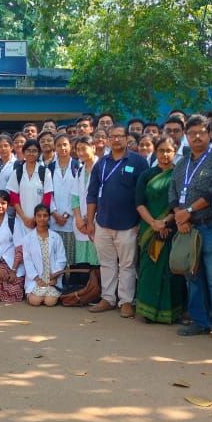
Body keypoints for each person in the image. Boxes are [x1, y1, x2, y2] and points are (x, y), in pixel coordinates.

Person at [170, 116, 212, 342]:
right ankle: (200, 321)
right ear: (186, 136)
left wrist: (189, 210)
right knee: (192, 277)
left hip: (211, 225)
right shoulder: (181, 163)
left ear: (209, 134)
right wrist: (180, 216)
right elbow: (173, 192)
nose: (197, 136)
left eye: (201, 132)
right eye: (192, 133)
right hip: (187, 229)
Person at [86, 125, 150, 317]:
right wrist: (90, 222)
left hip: (129, 223)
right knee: (106, 263)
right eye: (112, 136)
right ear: (107, 140)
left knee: (127, 265)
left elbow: (145, 194)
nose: (116, 140)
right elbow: (92, 194)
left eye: (120, 136)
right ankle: (108, 298)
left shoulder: (138, 161)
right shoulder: (101, 163)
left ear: (126, 138)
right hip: (103, 222)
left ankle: (126, 301)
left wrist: (141, 222)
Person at [134, 137, 185, 324]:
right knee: (149, 269)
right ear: (155, 152)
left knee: (171, 270)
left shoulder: (179, 174)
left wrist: (165, 222)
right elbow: (139, 203)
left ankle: (171, 312)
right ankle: (147, 311)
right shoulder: (146, 175)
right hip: (149, 228)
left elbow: (181, 202)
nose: (165, 154)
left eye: (168, 151)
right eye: (161, 150)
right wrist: (154, 223)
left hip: (173, 228)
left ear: (175, 152)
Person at [22, 204, 67, 306]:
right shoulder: (28, 239)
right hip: (36, 280)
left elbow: (61, 259)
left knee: (50, 302)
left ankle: (50, 293)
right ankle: (34, 293)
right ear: (35, 217)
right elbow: (28, 261)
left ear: (49, 218)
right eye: (39, 215)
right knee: (35, 301)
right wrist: (37, 279)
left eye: (45, 215)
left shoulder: (56, 237)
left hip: (52, 279)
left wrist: (55, 277)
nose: (42, 218)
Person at [9, 139, 53, 230]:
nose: (31, 153)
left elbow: (47, 197)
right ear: (23, 152)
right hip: (21, 221)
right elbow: (13, 197)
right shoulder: (17, 172)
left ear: (39, 153)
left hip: (40, 221)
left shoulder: (45, 172)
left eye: (34, 151)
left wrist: (35, 218)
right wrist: (23, 218)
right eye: (28, 150)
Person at [71, 136, 100, 265]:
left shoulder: (101, 168)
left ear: (93, 147)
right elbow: (74, 197)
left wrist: (89, 220)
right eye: (78, 149)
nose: (80, 152)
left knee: (96, 261)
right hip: (81, 225)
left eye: (84, 148)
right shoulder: (80, 170)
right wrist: (79, 220)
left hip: (97, 221)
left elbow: (102, 196)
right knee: (82, 262)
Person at [49, 133, 78, 261]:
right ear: (55, 147)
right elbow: (48, 193)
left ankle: (69, 275)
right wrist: (55, 214)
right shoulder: (50, 167)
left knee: (70, 255)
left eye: (65, 144)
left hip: (71, 218)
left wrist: (66, 215)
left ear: (70, 146)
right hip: (54, 218)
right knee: (55, 255)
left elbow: (77, 193)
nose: (62, 148)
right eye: (59, 145)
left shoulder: (77, 166)